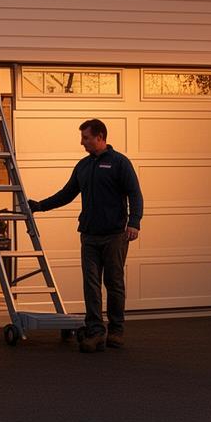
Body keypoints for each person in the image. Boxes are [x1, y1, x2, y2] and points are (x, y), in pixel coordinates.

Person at [27, 118, 142, 353]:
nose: (82, 142)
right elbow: (67, 194)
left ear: (100, 137)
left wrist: (134, 222)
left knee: (114, 283)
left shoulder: (120, 163)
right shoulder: (83, 166)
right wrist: (39, 206)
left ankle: (116, 331)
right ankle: (96, 332)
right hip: (89, 235)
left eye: (86, 137)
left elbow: (135, 194)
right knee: (90, 284)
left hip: (114, 236)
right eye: (82, 138)